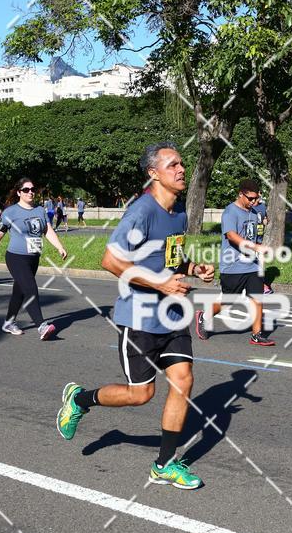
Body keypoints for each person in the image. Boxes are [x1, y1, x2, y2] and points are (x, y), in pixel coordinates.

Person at [55, 142, 215, 490]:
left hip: (171, 315)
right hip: (139, 318)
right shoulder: (141, 211)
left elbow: (168, 257)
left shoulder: (179, 212)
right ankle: (80, 399)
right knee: (140, 394)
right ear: (153, 173)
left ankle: (164, 464)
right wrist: (161, 284)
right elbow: (110, 261)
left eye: (182, 164)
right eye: (172, 165)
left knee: (183, 380)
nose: (181, 169)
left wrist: (192, 267)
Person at [0, 177, 67, 338]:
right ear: (19, 192)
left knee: (19, 292)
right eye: (26, 190)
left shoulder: (40, 210)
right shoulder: (10, 212)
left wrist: (59, 246)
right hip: (15, 257)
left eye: (33, 189)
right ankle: (42, 326)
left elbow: (47, 230)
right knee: (31, 288)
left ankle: (8, 322)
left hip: (33, 258)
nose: (30, 192)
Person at [195, 179, 276, 346]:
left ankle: (257, 334)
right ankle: (204, 315)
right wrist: (254, 246)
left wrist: (260, 247)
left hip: (252, 264)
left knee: (257, 298)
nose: (254, 202)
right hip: (233, 265)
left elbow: (251, 236)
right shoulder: (230, 212)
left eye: (256, 198)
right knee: (228, 300)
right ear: (241, 194)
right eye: (250, 199)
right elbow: (231, 236)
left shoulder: (254, 213)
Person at [253, 195, 273, 295]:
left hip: (259, 240)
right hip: (249, 241)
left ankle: (263, 285)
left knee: (260, 263)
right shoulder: (248, 207)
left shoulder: (262, 206)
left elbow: (265, 218)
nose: (259, 195)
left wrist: (265, 221)